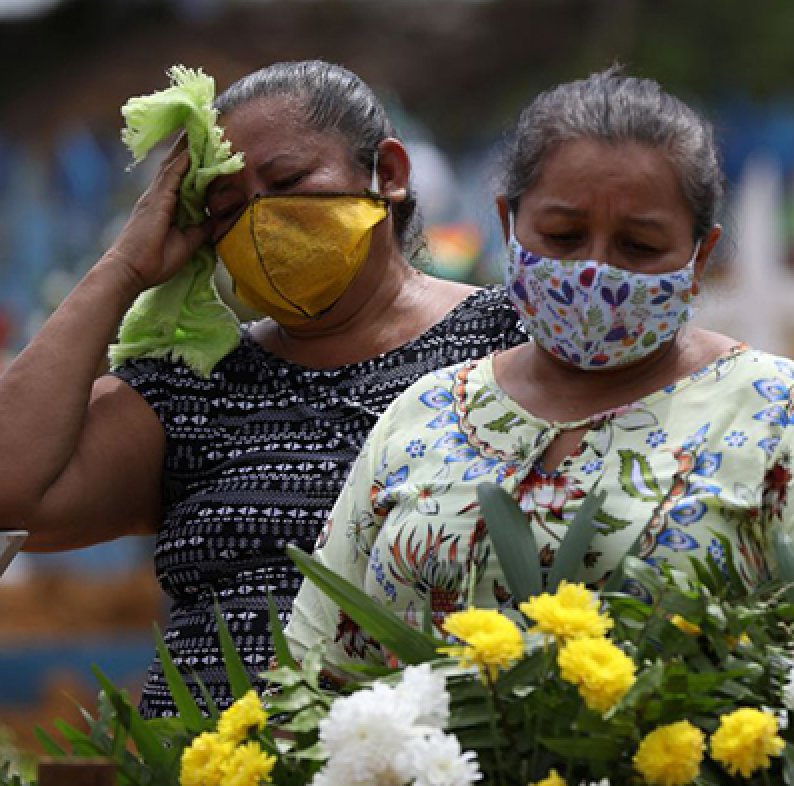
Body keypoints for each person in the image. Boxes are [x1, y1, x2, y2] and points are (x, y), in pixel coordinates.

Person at [286, 68, 794, 667]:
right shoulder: (423, 417)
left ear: (700, 255)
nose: (595, 270)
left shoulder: (779, 416)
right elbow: (317, 669)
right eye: (564, 237)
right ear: (508, 224)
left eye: (640, 245)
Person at [0, 60, 525, 716]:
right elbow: (9, 490)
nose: (260, 220)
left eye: (288, 182)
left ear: (387, 174)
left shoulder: (510, 342)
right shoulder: (195, 389)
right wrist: (124, 267)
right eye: (226, 209)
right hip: (206, 769)